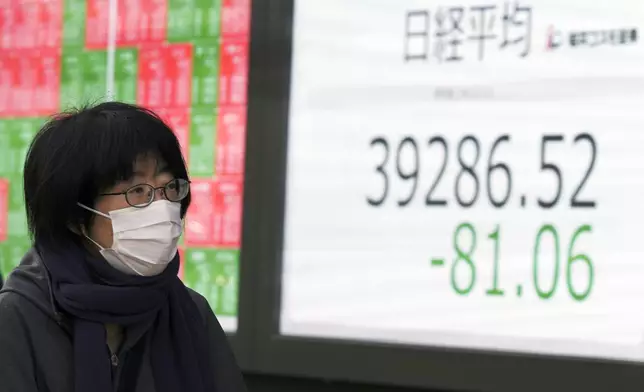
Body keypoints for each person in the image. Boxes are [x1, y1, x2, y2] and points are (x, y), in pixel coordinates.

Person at [0, 102, 247, 392]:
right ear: (73, 216)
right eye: (137, 191)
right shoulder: (16, 318)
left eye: (169, 188)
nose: (163, 207)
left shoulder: (189, 311)